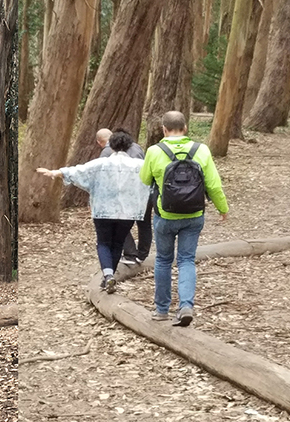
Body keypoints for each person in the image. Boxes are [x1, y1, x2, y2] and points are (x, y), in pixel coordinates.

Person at [139, 111, 228, 326]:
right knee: (187, 260)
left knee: (163, 260)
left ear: (164, 129)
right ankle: (186, 305)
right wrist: (222, 209)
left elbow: (144, 179)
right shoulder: (202, 150)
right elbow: (213, 185)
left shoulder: (154, 150)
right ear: (185, 128)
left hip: (165, 215)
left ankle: (161, 310)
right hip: (194, 215)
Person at [37, 131, 150, 294]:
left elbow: (79, 171)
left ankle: (108, 275)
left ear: (111, 146)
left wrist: (55, 172)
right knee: (118, 243)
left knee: (103, 243)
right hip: (127, 212)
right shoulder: (139, 166)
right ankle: (110, 277)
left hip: (103, 211)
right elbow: (152, 178)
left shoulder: (101, 164)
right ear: (128, 146)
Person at [98, 127, 152, 265]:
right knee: (144, 223)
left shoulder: (108, 151)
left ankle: (130, 254)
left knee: (119, 222)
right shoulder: (137, 148)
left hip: (124, 193)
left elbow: (103, 172)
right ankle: (142, 254)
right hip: (144, 190)